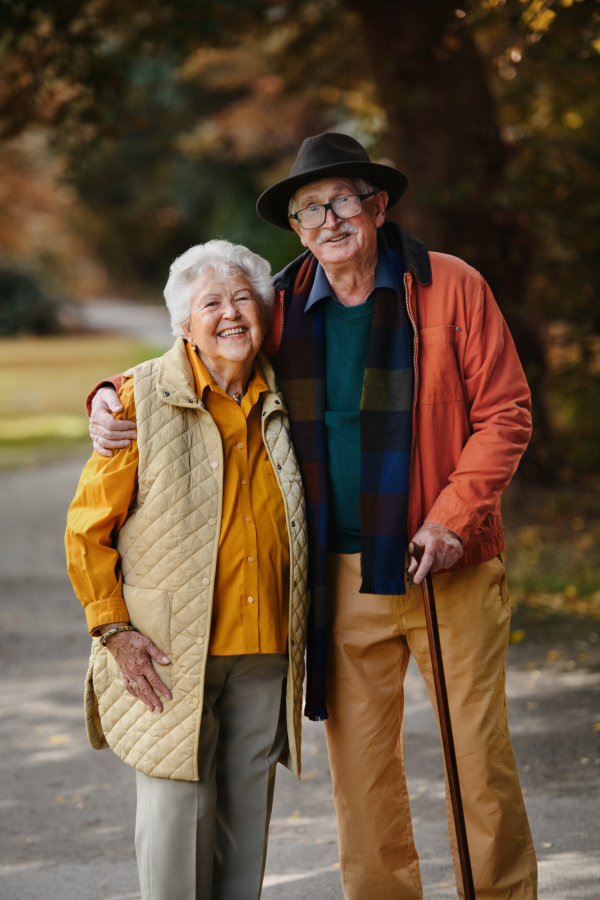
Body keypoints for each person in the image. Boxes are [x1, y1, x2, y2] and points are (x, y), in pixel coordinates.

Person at [87, 134, 538, 899]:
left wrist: (452, 518)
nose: (329, 221)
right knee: (360, 775)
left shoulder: (453, 286)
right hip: (342, 577)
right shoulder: (284, 305)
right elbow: (201, 353)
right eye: (309, 210)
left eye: (343, 202)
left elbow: (506, 414)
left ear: (377, 206)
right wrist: (106, 397)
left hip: (448, 566)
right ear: (296, 230)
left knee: (477, 764)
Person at [66, 239, 309, 900]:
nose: (230, 314)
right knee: (176, 823)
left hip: (264, 650)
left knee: (244, 830)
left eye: (242, 299)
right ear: (183, 324)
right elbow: (87, 530)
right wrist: (113, 629)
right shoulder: (137, 399)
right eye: (211, 303)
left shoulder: (288, 395)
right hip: (169, 651)